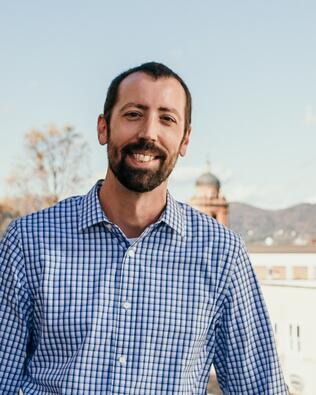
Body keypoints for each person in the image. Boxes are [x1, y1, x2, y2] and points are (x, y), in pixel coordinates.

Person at [0, 62, 287, 394]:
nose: (149, 133)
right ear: (103, 128)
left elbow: (259, 387)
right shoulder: (29, 240)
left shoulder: (222, 254)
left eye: (167, 118)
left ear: (184, 140)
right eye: (134, 114)